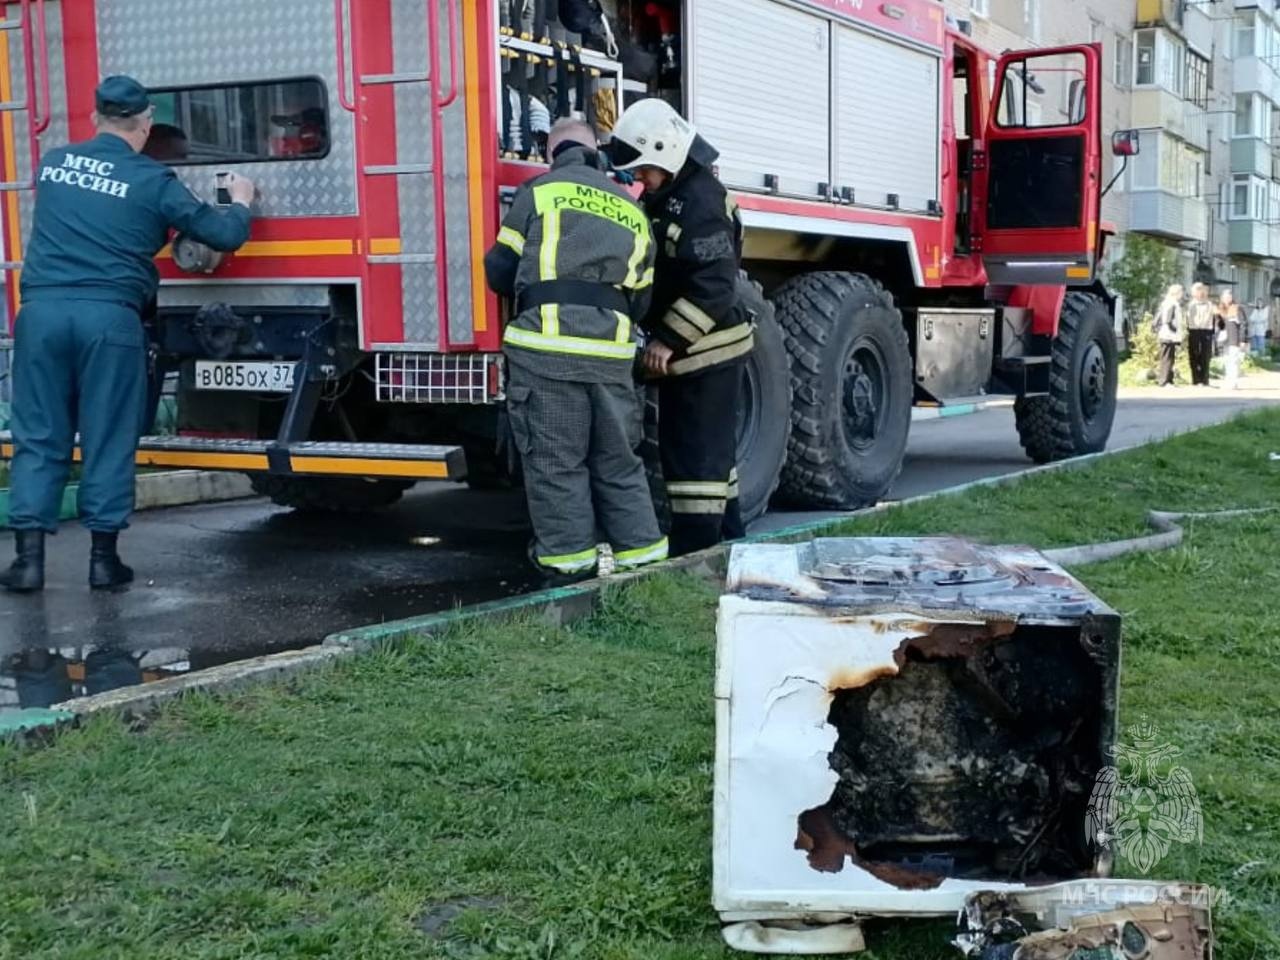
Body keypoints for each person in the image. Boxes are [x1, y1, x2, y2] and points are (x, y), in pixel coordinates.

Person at [3, 76, 255, 594]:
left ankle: (28, 562)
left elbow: (89, 207)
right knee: (108, 437)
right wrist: (241, 202)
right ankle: (103, 562)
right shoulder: (154, 181)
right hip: (107, 320)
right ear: (144, 125)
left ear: (95, 118)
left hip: (42, 315)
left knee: (39, 435)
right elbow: (225, 235)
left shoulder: (53, 166)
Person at [483, 117, 667, 582]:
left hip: (547, 357)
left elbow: (500, 269)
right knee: (620, 465)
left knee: (557, 467)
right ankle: (645, 572)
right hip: (611, 362)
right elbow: (642, 297)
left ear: (553, 153)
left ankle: (569, 579)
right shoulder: (631, 209)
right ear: (597, 153)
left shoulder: (539, 192)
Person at [608, 99, 755, 556]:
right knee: (713, 461)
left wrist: (668, 341)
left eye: (644, 169)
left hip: (707, 353)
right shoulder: (676, 193)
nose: (640, 180)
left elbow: (714, 285)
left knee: (695, 461)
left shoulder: (700, 203)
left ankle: (695, 554)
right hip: (699, 353)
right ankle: (729, 541)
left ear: (666, 151)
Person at [1185, 282, 1215, 387]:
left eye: (1203, 291)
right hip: (1194, 331)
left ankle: (1204, 379)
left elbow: (1212, 318)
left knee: (1205, 355)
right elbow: (1188, 318)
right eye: (1198, 291)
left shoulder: (1209, 304)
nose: (1201, 294)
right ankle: (1196, 379)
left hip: (1206, 331)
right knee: (1194, 354)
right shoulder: (1191, 305)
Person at [1154, 284, 1184, 388]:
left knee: (1170, 357)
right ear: (1177, 293)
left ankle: (1169, 380)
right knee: (1167, 358)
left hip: (1167, 334)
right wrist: (1174, 331)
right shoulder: (1172, 303)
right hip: (1168, 334)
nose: (1182, 294)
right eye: (1181, 292)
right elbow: (1168, 320)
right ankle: (1164, 381)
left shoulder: (1167, 303)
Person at [1217, 289, 1244, 390]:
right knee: (1227, 361)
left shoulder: (1237, 308)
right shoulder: (1221, 309)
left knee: (1233, 361)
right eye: (1225, 297)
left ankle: (1233, 382)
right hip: (1225, 339)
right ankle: (1228, 381)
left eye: (1229, 296)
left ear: (1232, 298)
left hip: (1234, 338)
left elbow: (1243, 324)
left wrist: (1243, 339)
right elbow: (1220, 326)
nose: (1227, 299)